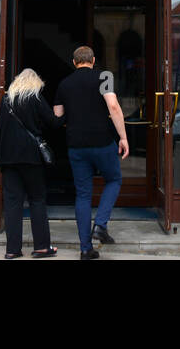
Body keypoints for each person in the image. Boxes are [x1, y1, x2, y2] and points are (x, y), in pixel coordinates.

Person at [54, 45, 128, 260]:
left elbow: (58, 116)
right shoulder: (104, 76)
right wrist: (123, 137)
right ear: (93, 60)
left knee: (83, 194)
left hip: (76, 145)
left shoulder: (64, 84)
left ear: (74, 61)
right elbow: (113, 107)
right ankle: (101, 226)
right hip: (102, 141)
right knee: (113, 179)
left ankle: (86, 249)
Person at [0, 68, 60, 259]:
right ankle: (41, 247)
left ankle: (12, 250)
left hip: (8, 158)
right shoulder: (35, 98)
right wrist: (63, 116)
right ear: (35, 84)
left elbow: (1, 130)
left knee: (13, 203)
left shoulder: (6, 101)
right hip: (30, 157)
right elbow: (53, 123)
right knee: (37, 199)